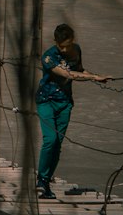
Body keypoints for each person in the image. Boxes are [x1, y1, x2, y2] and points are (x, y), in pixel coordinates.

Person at [35, 22, 109, 200]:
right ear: (55, 42)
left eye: (67, 45)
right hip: (46, 101)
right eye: (61, 46)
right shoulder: (48, 57)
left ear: (72, 41)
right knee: (50, 140)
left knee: (58, 144)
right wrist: (93, 77)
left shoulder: (76, 50)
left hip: (65, 102)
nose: (64, 49)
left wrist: (95, 77)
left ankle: (45, 183)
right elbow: (69, 75)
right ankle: (41, 180)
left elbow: (79, 70)